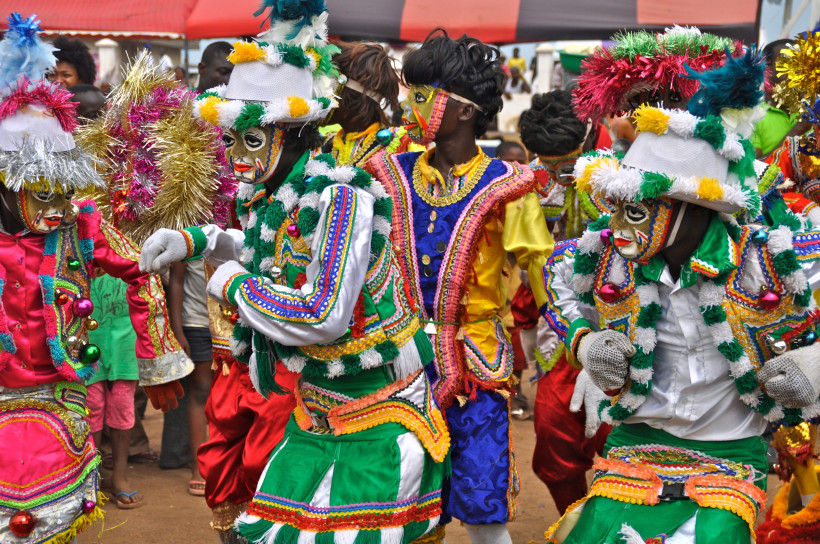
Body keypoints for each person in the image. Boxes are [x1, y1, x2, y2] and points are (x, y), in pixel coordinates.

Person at [142, 3, 448, 542]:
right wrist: (201, 240)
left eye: (253, 140)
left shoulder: (339, 198)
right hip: (316, 407)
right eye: (230, 139)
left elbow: (322, 314)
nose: (236, 156)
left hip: (377, 415)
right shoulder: (277, 192)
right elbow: (279, 252)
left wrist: (232, 283)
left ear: (295, 134)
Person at [543, 50, 820, 544]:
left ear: (692, 208)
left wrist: (813, 365)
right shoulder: (605, 256)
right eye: (617, 207)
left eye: (636, 210)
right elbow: (557, 281)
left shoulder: (766, 259)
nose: (616, 225)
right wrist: (585, 343)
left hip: (730, 452)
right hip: (635, 445)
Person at [0, 13, 189, 542]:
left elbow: (137, 270)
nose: (55, 209)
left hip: (61, 393)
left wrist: (157, 360)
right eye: (42, 193)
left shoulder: (81, 225)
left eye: (64, 193)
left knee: (52, 515)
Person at [368, 30, 554, 544]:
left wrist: (570, 338)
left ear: (465, 111)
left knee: (481, 509)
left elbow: (541, 271)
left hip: (476, 366)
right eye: (412, 93)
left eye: (423, 94)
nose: (411, 105)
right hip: (399, 364)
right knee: (399, 505)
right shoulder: (386, 173)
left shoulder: (508, 184)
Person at [518, 90, 613, 513]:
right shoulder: (531, 182)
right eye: (550, 165)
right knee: (553, 442)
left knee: (623, 441)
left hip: (626, 322)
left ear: (589, 136)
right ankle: (577, 526)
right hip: (559, 330)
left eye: (568, 165)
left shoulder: (626, 169)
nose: (560, 176)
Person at [321, 41, 420, 166]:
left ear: (353, 96)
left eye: (330, 85)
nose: (319, 96)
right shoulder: (322, 145)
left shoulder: (402, 148)